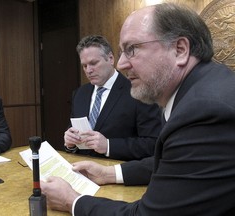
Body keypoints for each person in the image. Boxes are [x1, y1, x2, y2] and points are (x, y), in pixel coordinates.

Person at [40, 3, 235, 215]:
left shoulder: (204, 112)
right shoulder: (204, 89)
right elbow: (174, 161)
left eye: (132, 49)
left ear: (180, 50)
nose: (122, 64)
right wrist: (108, 173)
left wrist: (73, 201)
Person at [64, 35, 162, 161]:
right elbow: (74, 133)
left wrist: (109, 146)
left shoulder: (138, 90)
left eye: (93, 63)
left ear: (110, 58)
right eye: (84, 66)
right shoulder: (79, 94)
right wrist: (70, 144)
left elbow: (153, 144)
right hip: (82, 171)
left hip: (118, 173)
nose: (88, 70)